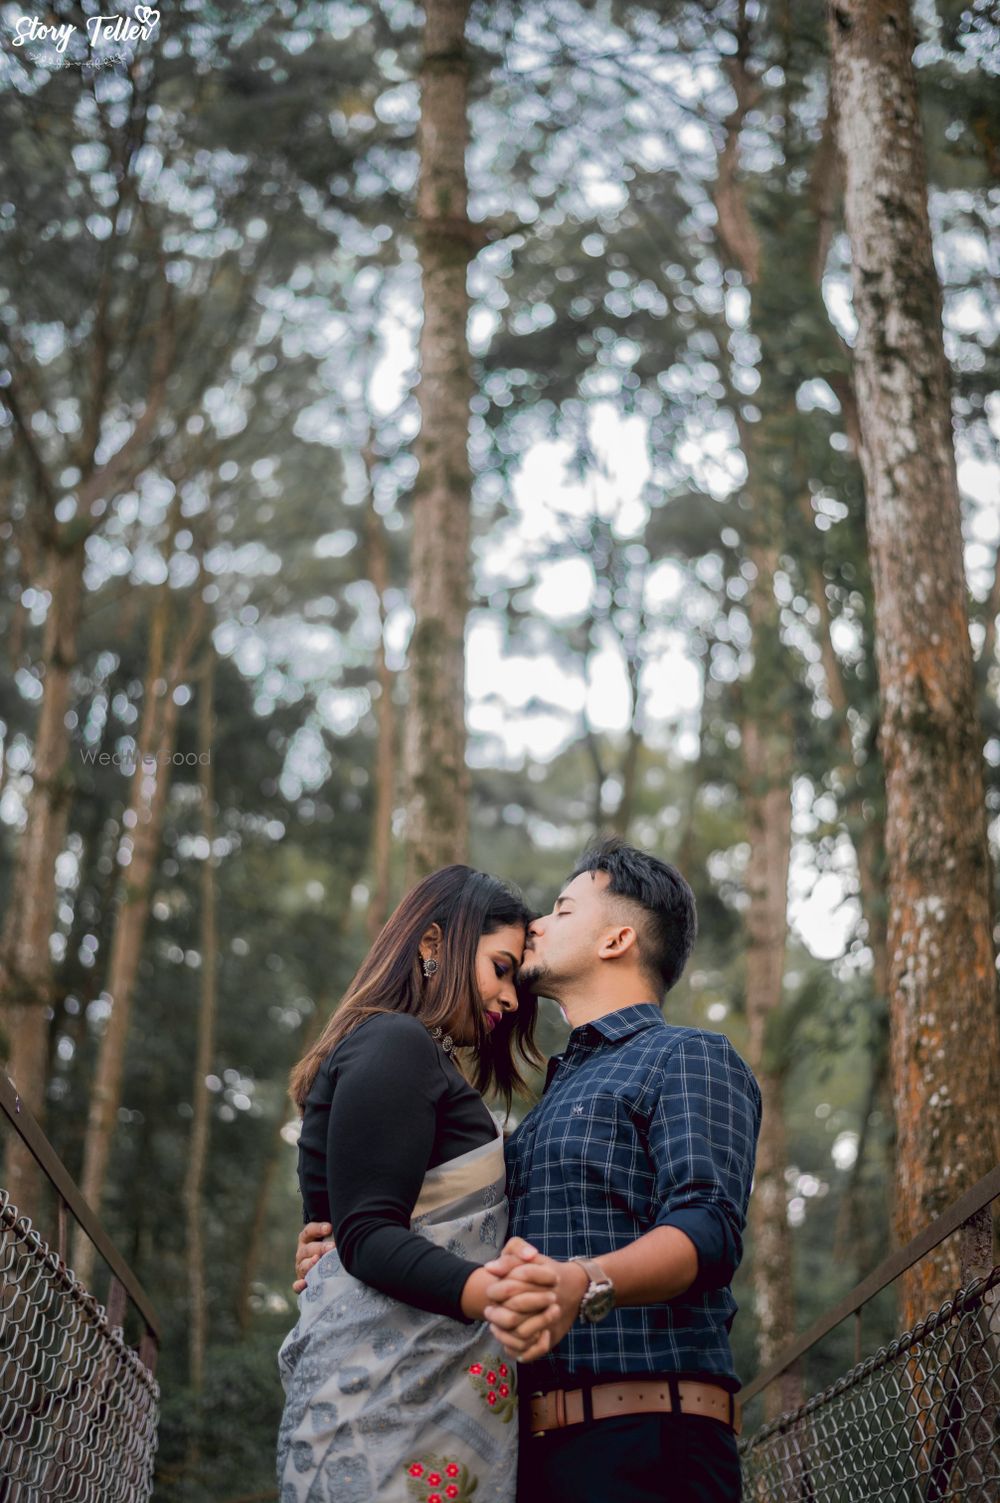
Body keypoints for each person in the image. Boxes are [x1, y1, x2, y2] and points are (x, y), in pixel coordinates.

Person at [297, 839, 761, 1503]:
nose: (539, 922)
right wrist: (340, 1239)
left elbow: (709, 1226)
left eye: (563, 908)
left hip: (650, 1440)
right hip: (526, 1455)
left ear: (618, 938)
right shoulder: (548, 1105)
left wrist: (585, 1282)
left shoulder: (686, 1056)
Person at [278, 866, 562, 1503]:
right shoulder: (395, 1044)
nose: (512, 998)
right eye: (501, 967)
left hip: (405, 1406)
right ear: (433, 944)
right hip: (383, 1408)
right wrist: (491, 1291)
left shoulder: (404, 1053)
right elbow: (368, 1236)